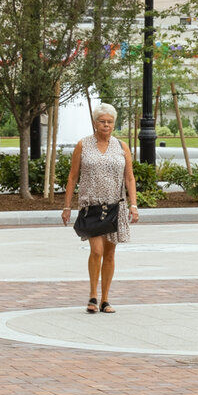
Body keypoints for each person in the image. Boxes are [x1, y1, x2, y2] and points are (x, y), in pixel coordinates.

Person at [63, 101, 138, 313]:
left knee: (110, 253)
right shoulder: (83, 145)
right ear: (95, 123)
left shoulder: (122, 147)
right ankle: (92, 296)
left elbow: (130, 178)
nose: (106, 125)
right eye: (102, 121)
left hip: (115, 206)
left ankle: (105, 299)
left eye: (110, 122)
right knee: (96, 250)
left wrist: (134, 205)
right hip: (91, 206)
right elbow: (72, 177)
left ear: (114, 124)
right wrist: (67, 207)